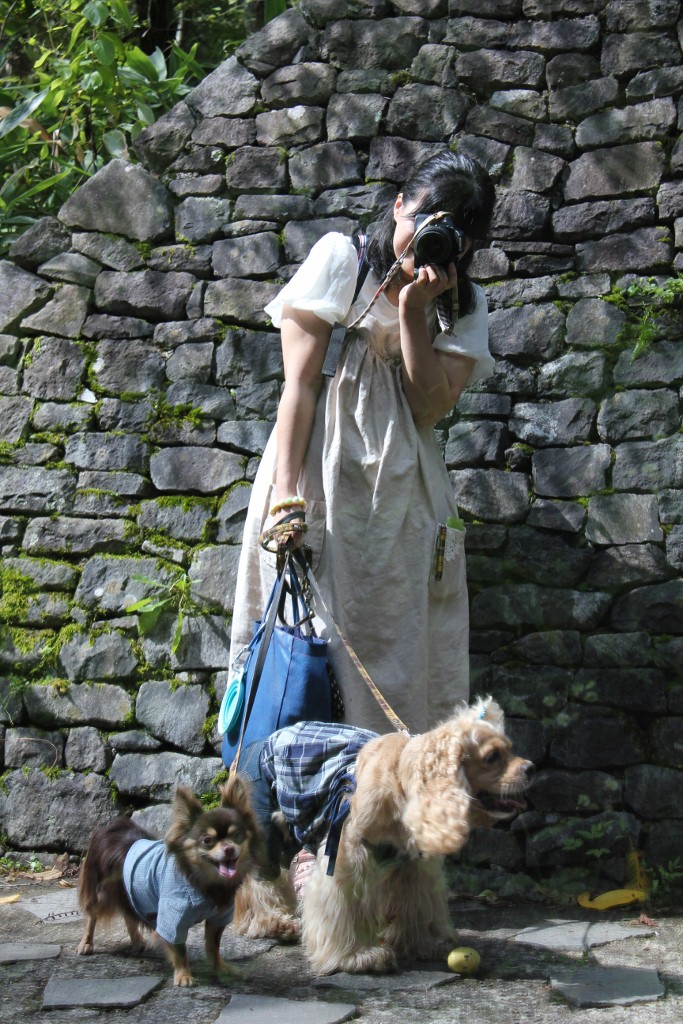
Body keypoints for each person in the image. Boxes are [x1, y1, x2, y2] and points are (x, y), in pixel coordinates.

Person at [228, 150, 496, 738]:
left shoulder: (463, 305)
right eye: (420, 220)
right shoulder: (342, 259)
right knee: (305, 639)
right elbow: (299, 386)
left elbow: (427, 409)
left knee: (397, 636)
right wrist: (286, 498)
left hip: (405, 490)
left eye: (450, 235)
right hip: (317, 471)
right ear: (398, 205)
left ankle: (390, 781)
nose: (424, 241)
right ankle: (289, 775)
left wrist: (414, 313)